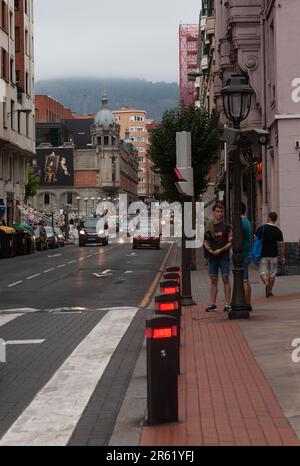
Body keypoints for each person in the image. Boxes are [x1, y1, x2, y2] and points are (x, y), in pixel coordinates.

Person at [203, 203, 233, 312]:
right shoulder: (209, 225)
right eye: (217, 211)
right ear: (213, 212)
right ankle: (213, 304)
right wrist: (209, 250)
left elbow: (230, 242)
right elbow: (205, 241)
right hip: (212, 256)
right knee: (213, 280)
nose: (219, 213)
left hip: (223, 256)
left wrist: (221, 250)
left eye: (221, 211)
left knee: (225, 278)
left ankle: (227, 304)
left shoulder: (227, 226)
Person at [255, 212, 285, 297]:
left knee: (263, 272)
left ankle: (266, 283)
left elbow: (256, 239)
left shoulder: (262, 228)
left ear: (268, 218)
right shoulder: (278, 231)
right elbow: (282, 244)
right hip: (274, 255)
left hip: (263, 254)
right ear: (275, 219)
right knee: (272, 273)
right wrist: (282, 256)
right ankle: (269, 292)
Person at [241, 203, 253, 311]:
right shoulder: (247, 221)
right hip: (248, 252)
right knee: (246, 279)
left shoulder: (241, 222)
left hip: (243, 254)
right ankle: (248, 303)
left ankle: (245, 303)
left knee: (244, 279)